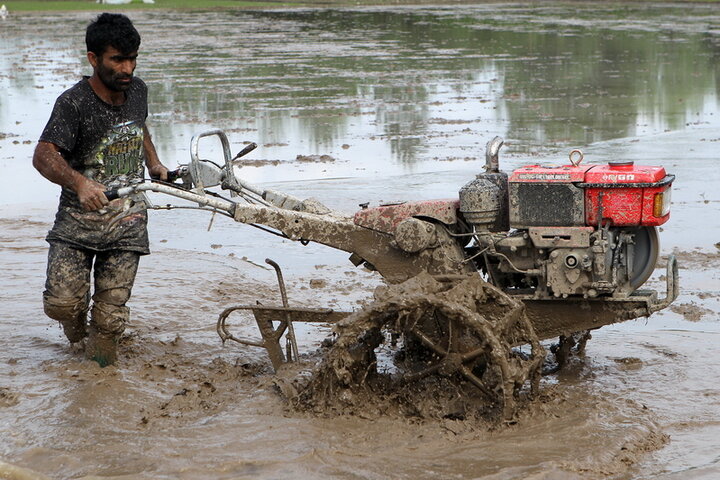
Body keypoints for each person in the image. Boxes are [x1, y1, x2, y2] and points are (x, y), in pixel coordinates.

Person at [33, 13, 168, 367]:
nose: (128, 68)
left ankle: (99, 376)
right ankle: (77, 339)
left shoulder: (137, 90)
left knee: (109, 320)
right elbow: (43, 155)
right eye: (118, 60)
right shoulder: (73, 103)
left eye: (133, 59)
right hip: (79, 220)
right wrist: (80, 183)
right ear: (94, 59)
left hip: (128, 218)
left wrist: (154, 164)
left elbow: (139, 128)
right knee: (62, 304)